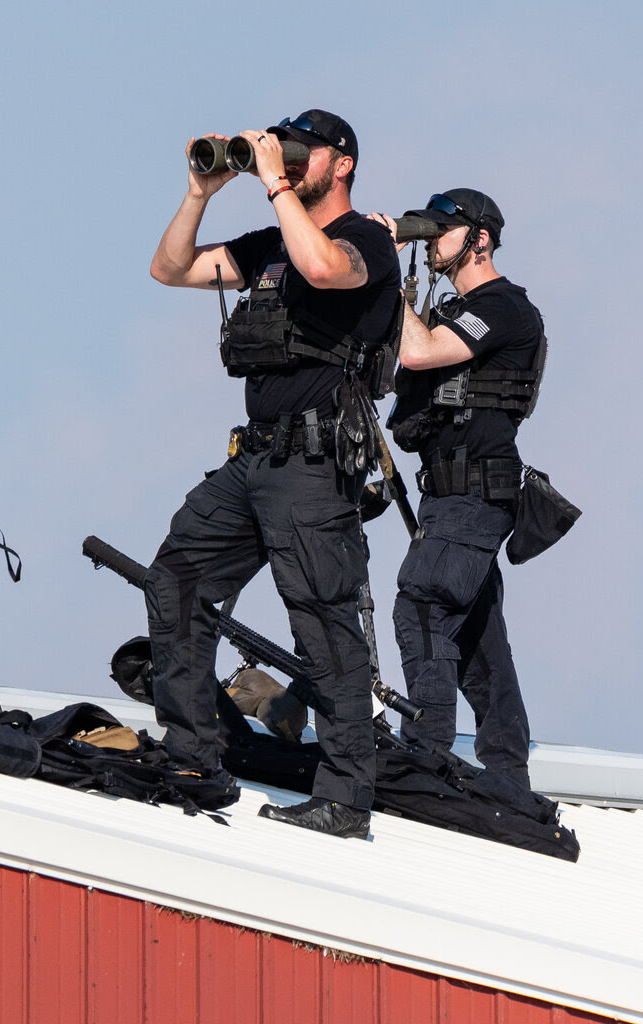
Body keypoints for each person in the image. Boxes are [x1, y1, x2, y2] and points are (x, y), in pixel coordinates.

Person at [144, 109, 400, 839]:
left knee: (322, 620)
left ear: (341, 164)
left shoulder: (365, 243)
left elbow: (322, 267)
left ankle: (346, 797)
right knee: (177, 577)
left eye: (304, 152)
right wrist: (201, 191)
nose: (287, 160)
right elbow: (169, 269)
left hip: (315, 467)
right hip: (253, 458)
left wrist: (272, 186)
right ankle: (192, 754)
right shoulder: (268, 247)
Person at [369, 190, 545, 790]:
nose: (433, 239)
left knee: (422, 604)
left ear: (480, 239)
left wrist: (385, 265)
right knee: (475, 634)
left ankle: (425, 748)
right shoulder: (445, 311)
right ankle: (507, 773)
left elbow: (419, 351)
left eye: (445, 229)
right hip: (446, 497)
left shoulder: (502, 307)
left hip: (475, 493)